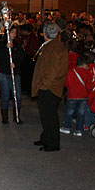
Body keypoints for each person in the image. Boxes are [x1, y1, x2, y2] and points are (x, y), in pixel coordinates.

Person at [32, 23, 68, 152]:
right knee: (46, 115)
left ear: (45, 34)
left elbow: (51, 70)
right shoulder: (55, 46)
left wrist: (44, 86)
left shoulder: (53, 48)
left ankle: (52, 142)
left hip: (50, 88)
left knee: (49, 116)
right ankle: (46, 138)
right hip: (51, 86)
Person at [0, 26, 25, 123]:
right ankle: (4, 117)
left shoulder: (17, 46)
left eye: (15, 32)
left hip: (15, 73)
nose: (14, 34)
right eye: (12, 32)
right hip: (3, 73)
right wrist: (6, 49)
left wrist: (15, 63)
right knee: (5, 95)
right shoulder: (1, 45)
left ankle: (16, 116)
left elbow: (21, 57)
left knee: (17, 95)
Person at [61, 53, 90, 137]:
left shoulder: (71, 72)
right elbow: (89, 85)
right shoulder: (86, 74)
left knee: (69, 112)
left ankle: (67, 127)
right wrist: (86, 92)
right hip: (83, 97)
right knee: (80, 114)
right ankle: (78, 130)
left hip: (72, 96)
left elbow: (66, 83)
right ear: (84, 65)